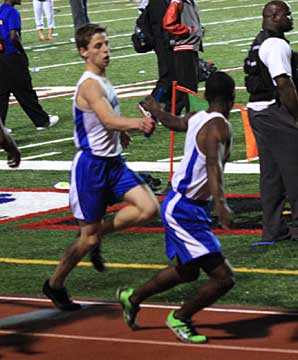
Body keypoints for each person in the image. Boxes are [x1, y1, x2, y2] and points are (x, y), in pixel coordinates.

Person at [42, 23, 159, 311]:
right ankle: (55, 285)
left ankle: (96, 236)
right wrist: (136, 123)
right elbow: (107, 119)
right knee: (87, 238)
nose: (105, 50)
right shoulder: (90, 84)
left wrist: (120, 132)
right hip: (91, 167)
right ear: (83, 52)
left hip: (113, 163)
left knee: (148, 209)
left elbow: (105, 120)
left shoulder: (104, 80)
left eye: (105, 44)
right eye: (97, 46)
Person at [117, 71, 236, 343]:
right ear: (233, 97)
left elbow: (175, 122)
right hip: (185, 210)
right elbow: (212, 166)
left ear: (205, 96)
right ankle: (180, 318)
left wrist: (156, 109)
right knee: (223, 278)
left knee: (187, 270)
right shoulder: (220, 127)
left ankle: (132, 298)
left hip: (184, 204)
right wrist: (222, 204)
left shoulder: (198, 117)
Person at [244, 1, 298, 246]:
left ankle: (273, 230)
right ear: (275, 16)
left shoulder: (260, 39)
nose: (291, 18)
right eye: (287, 14)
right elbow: (284, 84)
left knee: (271, 176)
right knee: (294, 170)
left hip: (258, 112)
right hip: (274, 112)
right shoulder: (276, 44)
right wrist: (296, 116)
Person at [0, 0, 59, 130]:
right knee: (25, 91)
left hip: (1, 57)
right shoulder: (12, 12)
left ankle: (1, 128)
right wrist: (22, 52)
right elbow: (14, 36)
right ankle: (42, 121)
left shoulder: (0, 10)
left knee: (2, 94)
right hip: (12, 56)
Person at [163, 0, 203, 114]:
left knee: (183, 88)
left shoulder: (189, 1)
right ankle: (193, 117)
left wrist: (199, 29)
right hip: (184, 48)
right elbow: (168, 23)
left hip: (189, 47)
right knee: (189, 88)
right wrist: (186, 30)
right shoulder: (178, 1)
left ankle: (171, 114)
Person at [144, 0, 173, 112]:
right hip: (163, 41)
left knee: (174, 76)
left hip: (165, 39)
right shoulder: (157, 3)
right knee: (168, 76)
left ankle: (169, 108)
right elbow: (161, 23)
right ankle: (148, 106)